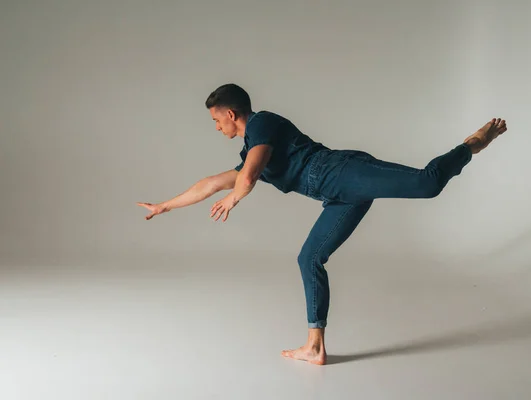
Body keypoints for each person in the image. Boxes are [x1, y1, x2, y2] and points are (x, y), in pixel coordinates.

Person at [137, 83, 508, 366]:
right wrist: (165, 205)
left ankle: (472, 143)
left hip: (342, 171)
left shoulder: (262, 125)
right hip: (338, 197)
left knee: (427, 184)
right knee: (309, 258)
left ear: (232, 114)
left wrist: (235, 197)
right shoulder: (252, 153)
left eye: (216, 120)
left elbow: (244, 180)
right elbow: (211, 183)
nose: (216, 127)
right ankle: (315, 347)